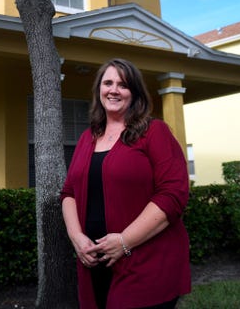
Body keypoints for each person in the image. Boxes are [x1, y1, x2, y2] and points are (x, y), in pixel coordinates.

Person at [61, 58, 191, 309]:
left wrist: (124, 241)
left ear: (135, 93)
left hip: (145, 261)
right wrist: (76, 237)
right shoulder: (88, 137)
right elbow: (68, 193)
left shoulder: (154, 132)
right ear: (99, 89)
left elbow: (173, 195)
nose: (113, 90)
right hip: (93, 263)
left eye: (123, 85)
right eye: (108, 83)